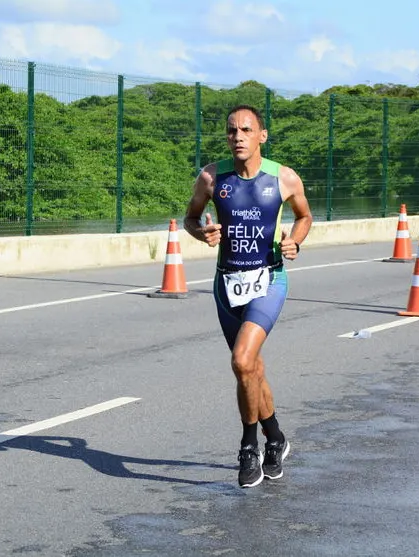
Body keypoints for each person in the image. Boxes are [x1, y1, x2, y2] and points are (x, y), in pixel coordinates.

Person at [184, 105, 313, 488]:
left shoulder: (284, 178)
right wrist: (201, 234)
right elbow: (191, 218)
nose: (237, 136)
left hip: (268, 279)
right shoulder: (211, 177)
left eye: (245, 129)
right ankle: (276, 437)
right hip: (227, 284)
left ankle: (248, 446)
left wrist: (294, 242)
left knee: (241, 361)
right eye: (231, 130)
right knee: (251, 369)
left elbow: (305, 217)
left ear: (262, 135)